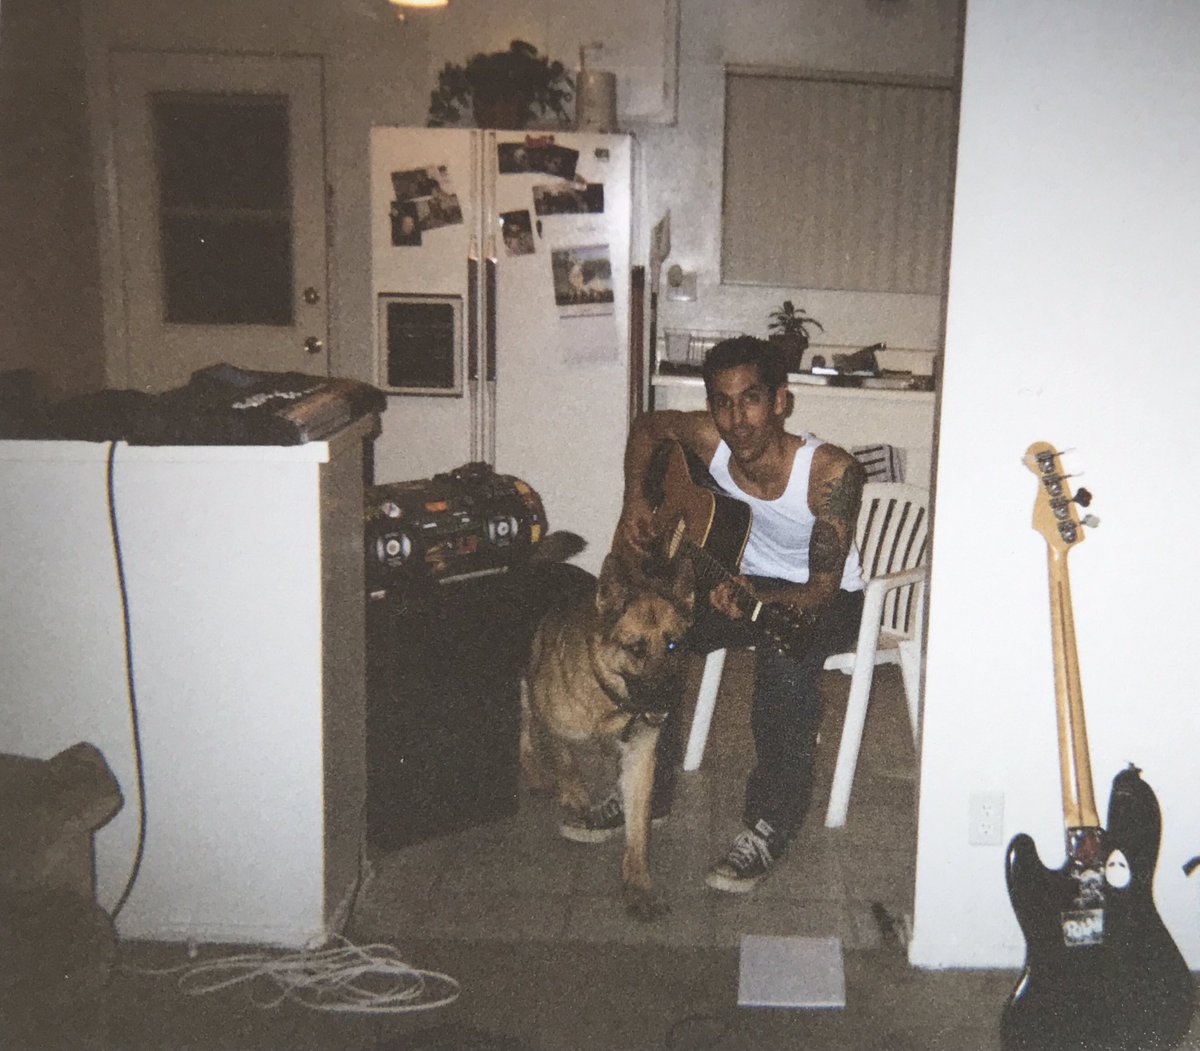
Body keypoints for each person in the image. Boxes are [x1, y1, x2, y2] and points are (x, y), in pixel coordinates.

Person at [570, 335, 867, 892]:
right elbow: (648, 427)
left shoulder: (830, 474)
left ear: (782, 401)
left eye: (751, 399)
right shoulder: (711, 441)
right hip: (733, 578)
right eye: (722, 402)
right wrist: (636, 497)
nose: (737, 419)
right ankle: (646, 793)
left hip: (823, 598)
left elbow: (822, 589)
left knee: (784, 650)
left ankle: (771, 820)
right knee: (656, 639)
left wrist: (762, 601)